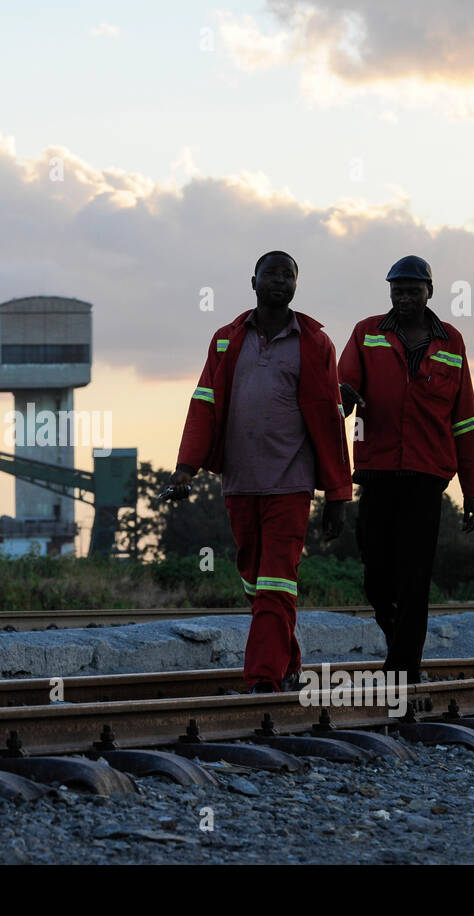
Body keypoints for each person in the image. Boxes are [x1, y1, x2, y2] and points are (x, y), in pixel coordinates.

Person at [169, 251, 352, 692]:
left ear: (296, 284)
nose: (279, 281)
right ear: (253, 281)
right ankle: (287, 663)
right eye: (271, 274)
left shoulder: (315, 343)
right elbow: (204, 405)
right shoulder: (226, 340)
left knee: (275, 582)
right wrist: (184, 469)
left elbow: (330, 422)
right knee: (255, 583)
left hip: (290, 484)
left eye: (287, 275)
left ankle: (261, 681)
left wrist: (337, 496)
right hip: (238, 484)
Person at [337, 255, 474, 687]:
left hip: (427, 478)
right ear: (389, 292)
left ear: (429, 292)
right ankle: (399, 643)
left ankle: (403, 668)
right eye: (397, 290)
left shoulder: (452, 342)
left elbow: (465, 419)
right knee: (376, 576)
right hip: (377, 473)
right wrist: (342, 398)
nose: (404, 297)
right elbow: (344, 386)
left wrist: (472, 491)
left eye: (412, 290)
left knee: (415, 578)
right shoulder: (368, 334)